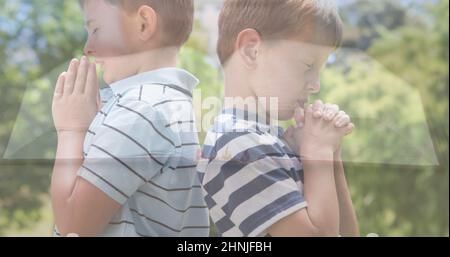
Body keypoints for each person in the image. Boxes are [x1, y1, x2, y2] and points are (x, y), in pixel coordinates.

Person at [197, 0, 359, 237]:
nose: (315, 85)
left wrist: (331, 153)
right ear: (252, 50)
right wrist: (318, 150)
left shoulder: (271, 140)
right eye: (307, 66)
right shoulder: (237, 143)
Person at [50, 0, 209, 236]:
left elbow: (73, 226)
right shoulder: (165, 104)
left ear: (144, 24)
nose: (88, 47)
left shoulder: (139, 110)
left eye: (97, 29)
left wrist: (70, 130)